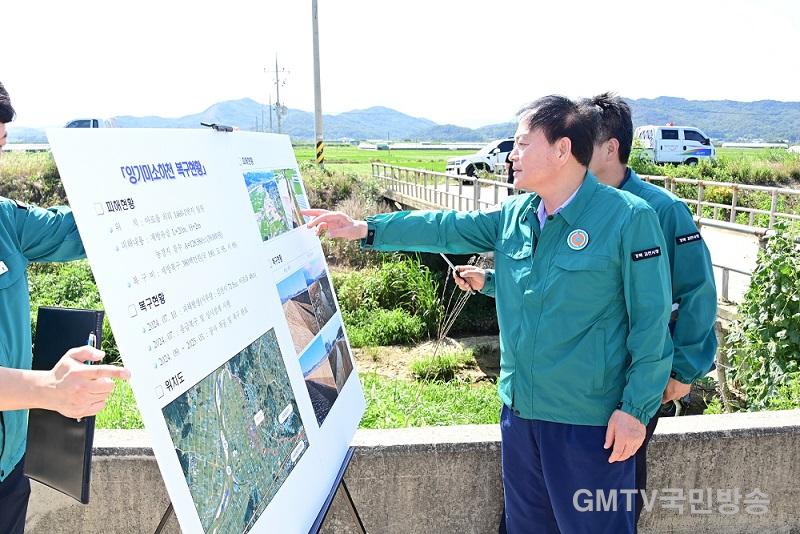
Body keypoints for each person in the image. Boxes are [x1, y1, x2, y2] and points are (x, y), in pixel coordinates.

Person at [303, 95, 673, 533]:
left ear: (561, 149)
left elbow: (651, 324)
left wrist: (635, 410)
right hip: (521, 417)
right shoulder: (515, 216)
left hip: (588, 424)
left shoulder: (628, 218)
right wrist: (366, 228)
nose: (511, 155)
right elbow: (446, 226)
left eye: (521, 143)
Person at [455, 92, 719, 527]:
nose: (572, 147)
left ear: (609, 147)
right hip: (551, 403)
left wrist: (682, 371)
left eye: (583, 140)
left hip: (629, 382)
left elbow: (694, 294)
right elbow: (560, 289)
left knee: (610, 496)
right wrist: (494, 283)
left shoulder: (654, 209)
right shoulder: (554, 206)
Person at [0, 81, 131, 534]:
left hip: (6, 472)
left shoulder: (5, 220)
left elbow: (83, 230)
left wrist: (110, 165)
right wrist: (48, 390)